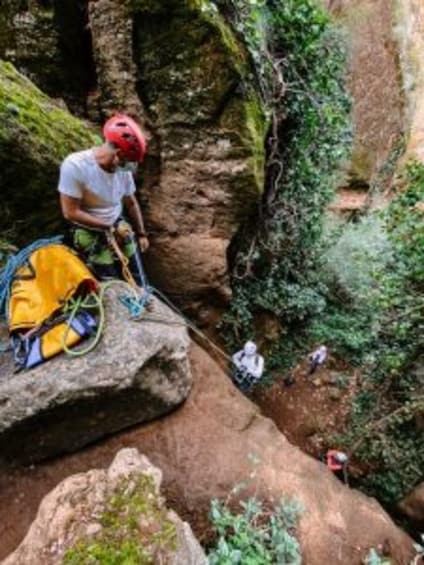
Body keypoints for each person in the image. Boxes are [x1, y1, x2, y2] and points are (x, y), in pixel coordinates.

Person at [58, 114, 149, 285]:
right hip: (87, 227)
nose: (132, 167)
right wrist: (106, 227)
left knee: (138, 277)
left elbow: (131, 202)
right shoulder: (76, 166)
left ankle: (144, 297)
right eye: (129, 161)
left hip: (116, 222)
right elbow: (70, 212)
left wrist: (141, 233)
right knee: (111, 281)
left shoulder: (123, 171)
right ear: (118, 154)